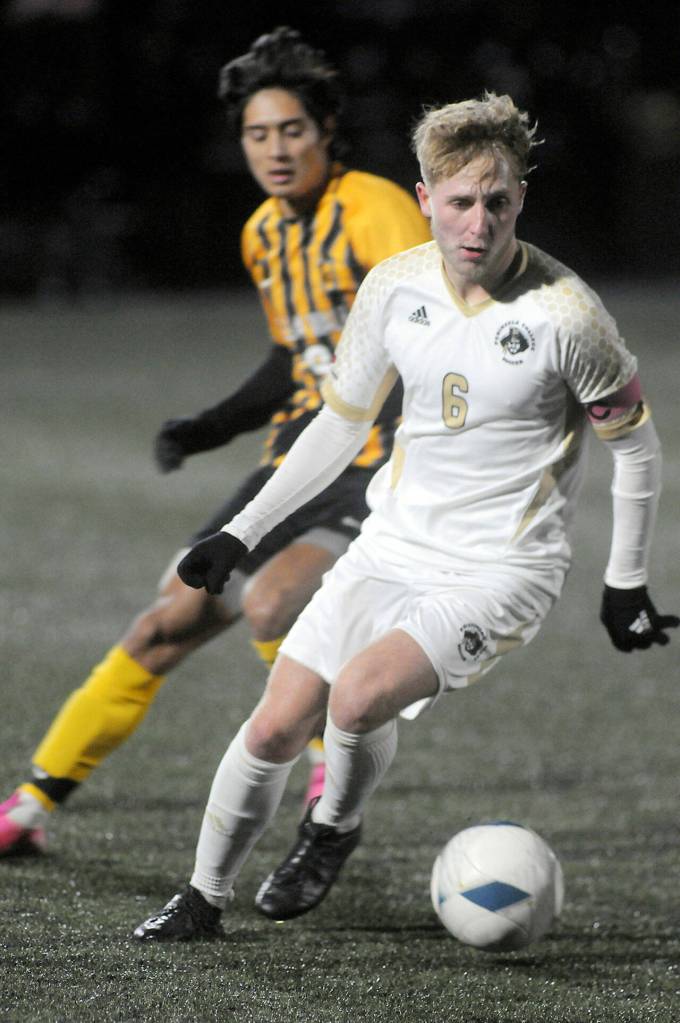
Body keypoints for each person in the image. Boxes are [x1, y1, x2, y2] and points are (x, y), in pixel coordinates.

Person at [131, 89, 678, 942]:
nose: (478, 222)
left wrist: (625, 581)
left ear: (520, 199)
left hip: (502, 567)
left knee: (354, 698)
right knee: (276, 720)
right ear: (425, 198)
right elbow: (341, 424)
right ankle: (202, 897)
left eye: (498, 201)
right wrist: (241, 531)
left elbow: (638, 448)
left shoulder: (569, 314)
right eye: (459, 201)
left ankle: (332, 828)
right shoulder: (394, 287)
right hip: (391, 543)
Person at [0, 27, 430, 857]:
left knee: (272, 601)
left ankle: (327, 764)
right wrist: (211, 426)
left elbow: (433, 331)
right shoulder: (263, 233)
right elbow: (292, 351)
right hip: (295, 458)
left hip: (379, 463)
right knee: (168, 617)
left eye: (292, 130)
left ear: (326, 130)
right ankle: (30, 801)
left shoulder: (376, 210)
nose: (275, 149)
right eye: (257, 134)